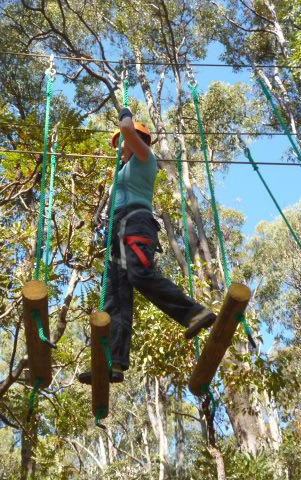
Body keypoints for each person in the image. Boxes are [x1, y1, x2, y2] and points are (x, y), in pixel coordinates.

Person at [79, 107, 216, 384]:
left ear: (137, 141)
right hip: (119, 229)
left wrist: (126, 116)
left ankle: (194, 313)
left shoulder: (145, 159)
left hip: (137, 222)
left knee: (139, 273)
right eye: (120, 145)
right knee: (115, 298)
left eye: (124, 143)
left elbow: (128, 130)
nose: (122, 148)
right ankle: (113, 361)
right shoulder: (124, 170)